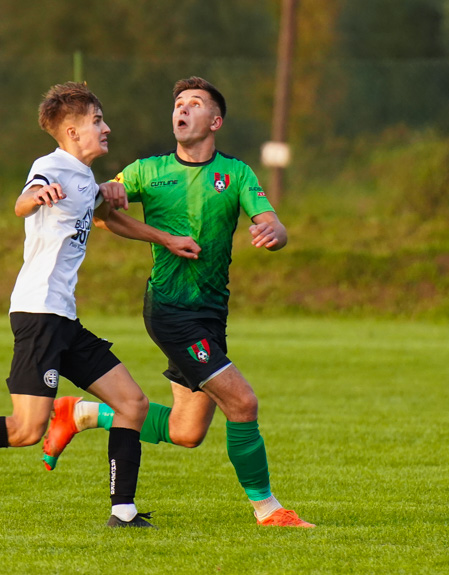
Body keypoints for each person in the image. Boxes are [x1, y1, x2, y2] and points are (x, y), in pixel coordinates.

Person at [0, 82, 201, 528]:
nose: (106, 128)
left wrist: (166, 238)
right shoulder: (50, 166)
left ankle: (123, 513)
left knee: (131, 403)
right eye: (97, 121)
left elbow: (112, 220)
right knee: (26, 430)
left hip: (63, 318)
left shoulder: (85, 178)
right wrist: (34, 197)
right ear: (71, 131)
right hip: (39, 315)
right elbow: (24, 200)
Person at [41, 76, 314, 528]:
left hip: (210, 313)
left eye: (194, 104)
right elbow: (104, 208)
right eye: (177, 104)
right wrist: (111, 193)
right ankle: (269, 511)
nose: (181, 110)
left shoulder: (237, 174)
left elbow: (273, 223)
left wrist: (274, 233)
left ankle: (81, 412)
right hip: (171, 310)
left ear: (215, 121)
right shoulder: (148, 170)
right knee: (243, 404)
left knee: (187, 432)